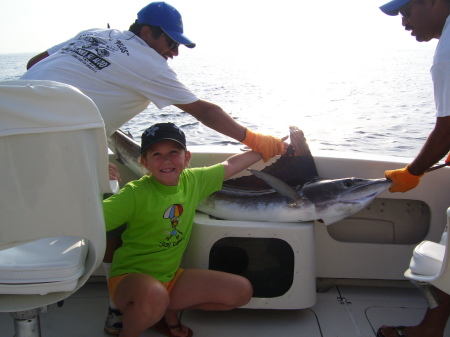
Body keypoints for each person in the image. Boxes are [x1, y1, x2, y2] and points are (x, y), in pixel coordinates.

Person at [20, 2, 286, 334]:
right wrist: (254, 138)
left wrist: (86, 145)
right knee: (102, 218)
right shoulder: (148, 64)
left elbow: (34, 64)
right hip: (50, 153)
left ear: (186, 159)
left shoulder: (95, 33)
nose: (174, 52)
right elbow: (203, 110)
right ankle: (122, 307)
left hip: (15, 127)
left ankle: (152, 306)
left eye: (178, 45)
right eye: (170, 42)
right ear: (146, 32)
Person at [103, 122, 278, 337]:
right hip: (128, 281)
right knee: (153, 296)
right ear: (145, 162)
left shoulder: (194, 180)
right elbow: (90, 221)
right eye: (156, 154)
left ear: (187, 158)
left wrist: (266, 147)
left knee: (241, 292)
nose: (166, 160)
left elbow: (231, 165)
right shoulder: (133, 194)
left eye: (173, 152)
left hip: (169, 279)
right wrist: (98, 182)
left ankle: (162, 310)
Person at [377, 0, 450, 336]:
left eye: (406, 11)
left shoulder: (447, 51)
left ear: (434, 3)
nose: (403, 21)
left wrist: (413, 172)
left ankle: (430, 330)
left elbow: (447, 127)